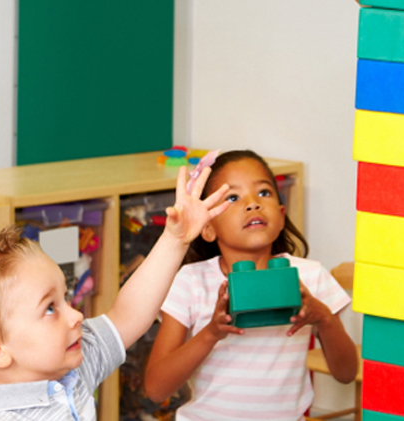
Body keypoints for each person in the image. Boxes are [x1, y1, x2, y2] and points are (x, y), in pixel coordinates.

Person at [0, 165, 230, 421]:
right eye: (50, 309)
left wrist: (175, 241)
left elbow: (127, 317)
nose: (77, 315)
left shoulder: (65, 364)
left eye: (65, 299)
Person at [143, 150, 357, 420]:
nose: (253, 204)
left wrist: (324, 318)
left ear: (280, 216)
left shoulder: (310, 276)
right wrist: (211, 332)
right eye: (233, 197)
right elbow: (156, 388)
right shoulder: (191, 281)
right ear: (207, 227)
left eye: (264, 193)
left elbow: (347, 373)